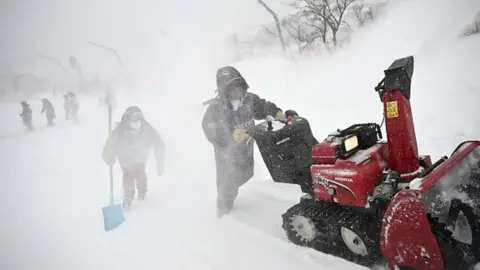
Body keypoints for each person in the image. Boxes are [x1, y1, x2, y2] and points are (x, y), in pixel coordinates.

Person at [202, 66, 285, 217]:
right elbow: (210, 130)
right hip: (226, 158)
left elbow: (264, 106)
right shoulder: (215, 109)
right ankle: (223, 215)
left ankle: (230, 192)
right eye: (233, 91)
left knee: (247, 173)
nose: (238, 93)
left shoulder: (249, 100)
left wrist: (276, 112)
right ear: (224, 92)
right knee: (226, 187)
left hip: (245, 152)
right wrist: (230, 136)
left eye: (240, 89)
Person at [101, 106, 165, 210]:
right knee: (128, 176)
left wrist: (160, 162)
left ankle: (142, 191)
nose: (136, 123)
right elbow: (110, 145)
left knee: (141, 174)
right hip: (125, 159)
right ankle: (128, 196)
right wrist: (109, 155)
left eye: (138, 121)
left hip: (141, 158)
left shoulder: (147, 129)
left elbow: (159, 144)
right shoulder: (120, 131)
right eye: (133, 121)